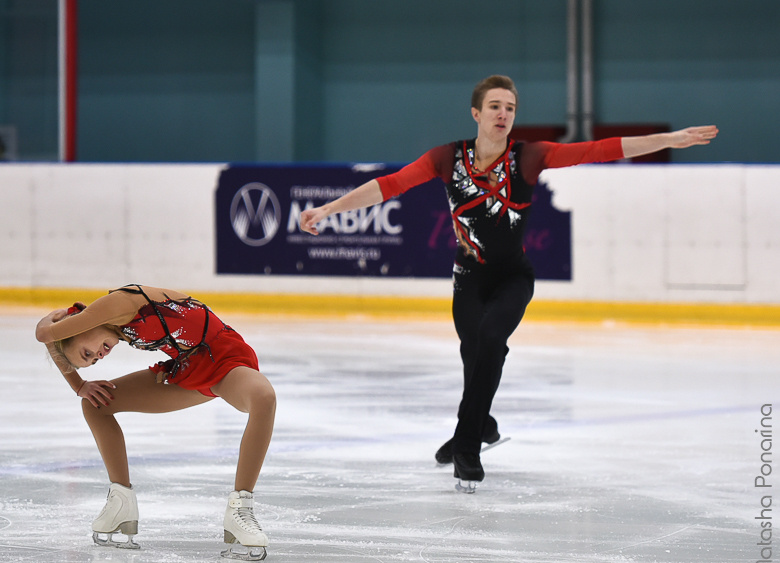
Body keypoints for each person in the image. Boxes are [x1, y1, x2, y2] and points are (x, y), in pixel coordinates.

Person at [299, 74, 718, 493]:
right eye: (495, 107)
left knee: (491, 340)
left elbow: (599, 149)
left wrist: (668, 140)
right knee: (474, 355)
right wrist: (329, 209)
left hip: (513, 278)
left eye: (510, 108)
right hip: (467, 279)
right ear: (476, 113)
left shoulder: (529, 156)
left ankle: (467, 450)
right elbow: (391, 185)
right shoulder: (447, 158)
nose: (503, 114)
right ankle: (482, 424)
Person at [35, 284, 276, 560]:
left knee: (263, 397)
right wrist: (79, 386)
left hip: (226, 360)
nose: (98, 357)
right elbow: (52, 341)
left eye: (87, 353)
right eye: (92, 361)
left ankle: (240, 509)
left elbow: (43, 334)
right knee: (95, 404)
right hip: (186, 370)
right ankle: (121, 504)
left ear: (77, 328)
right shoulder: (114, 328)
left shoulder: (114, 305)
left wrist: (53, 318)